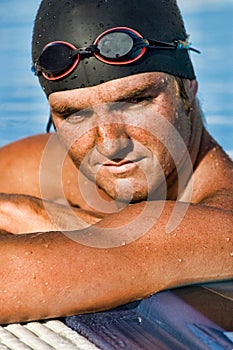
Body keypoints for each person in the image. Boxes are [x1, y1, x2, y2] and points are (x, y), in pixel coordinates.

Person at [0, 0, 232, 325]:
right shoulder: (60, 169)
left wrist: (22, 213)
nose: (109, 144)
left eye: (136, 100)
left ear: (188, 87)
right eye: (73, 114)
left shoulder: (221, 223)